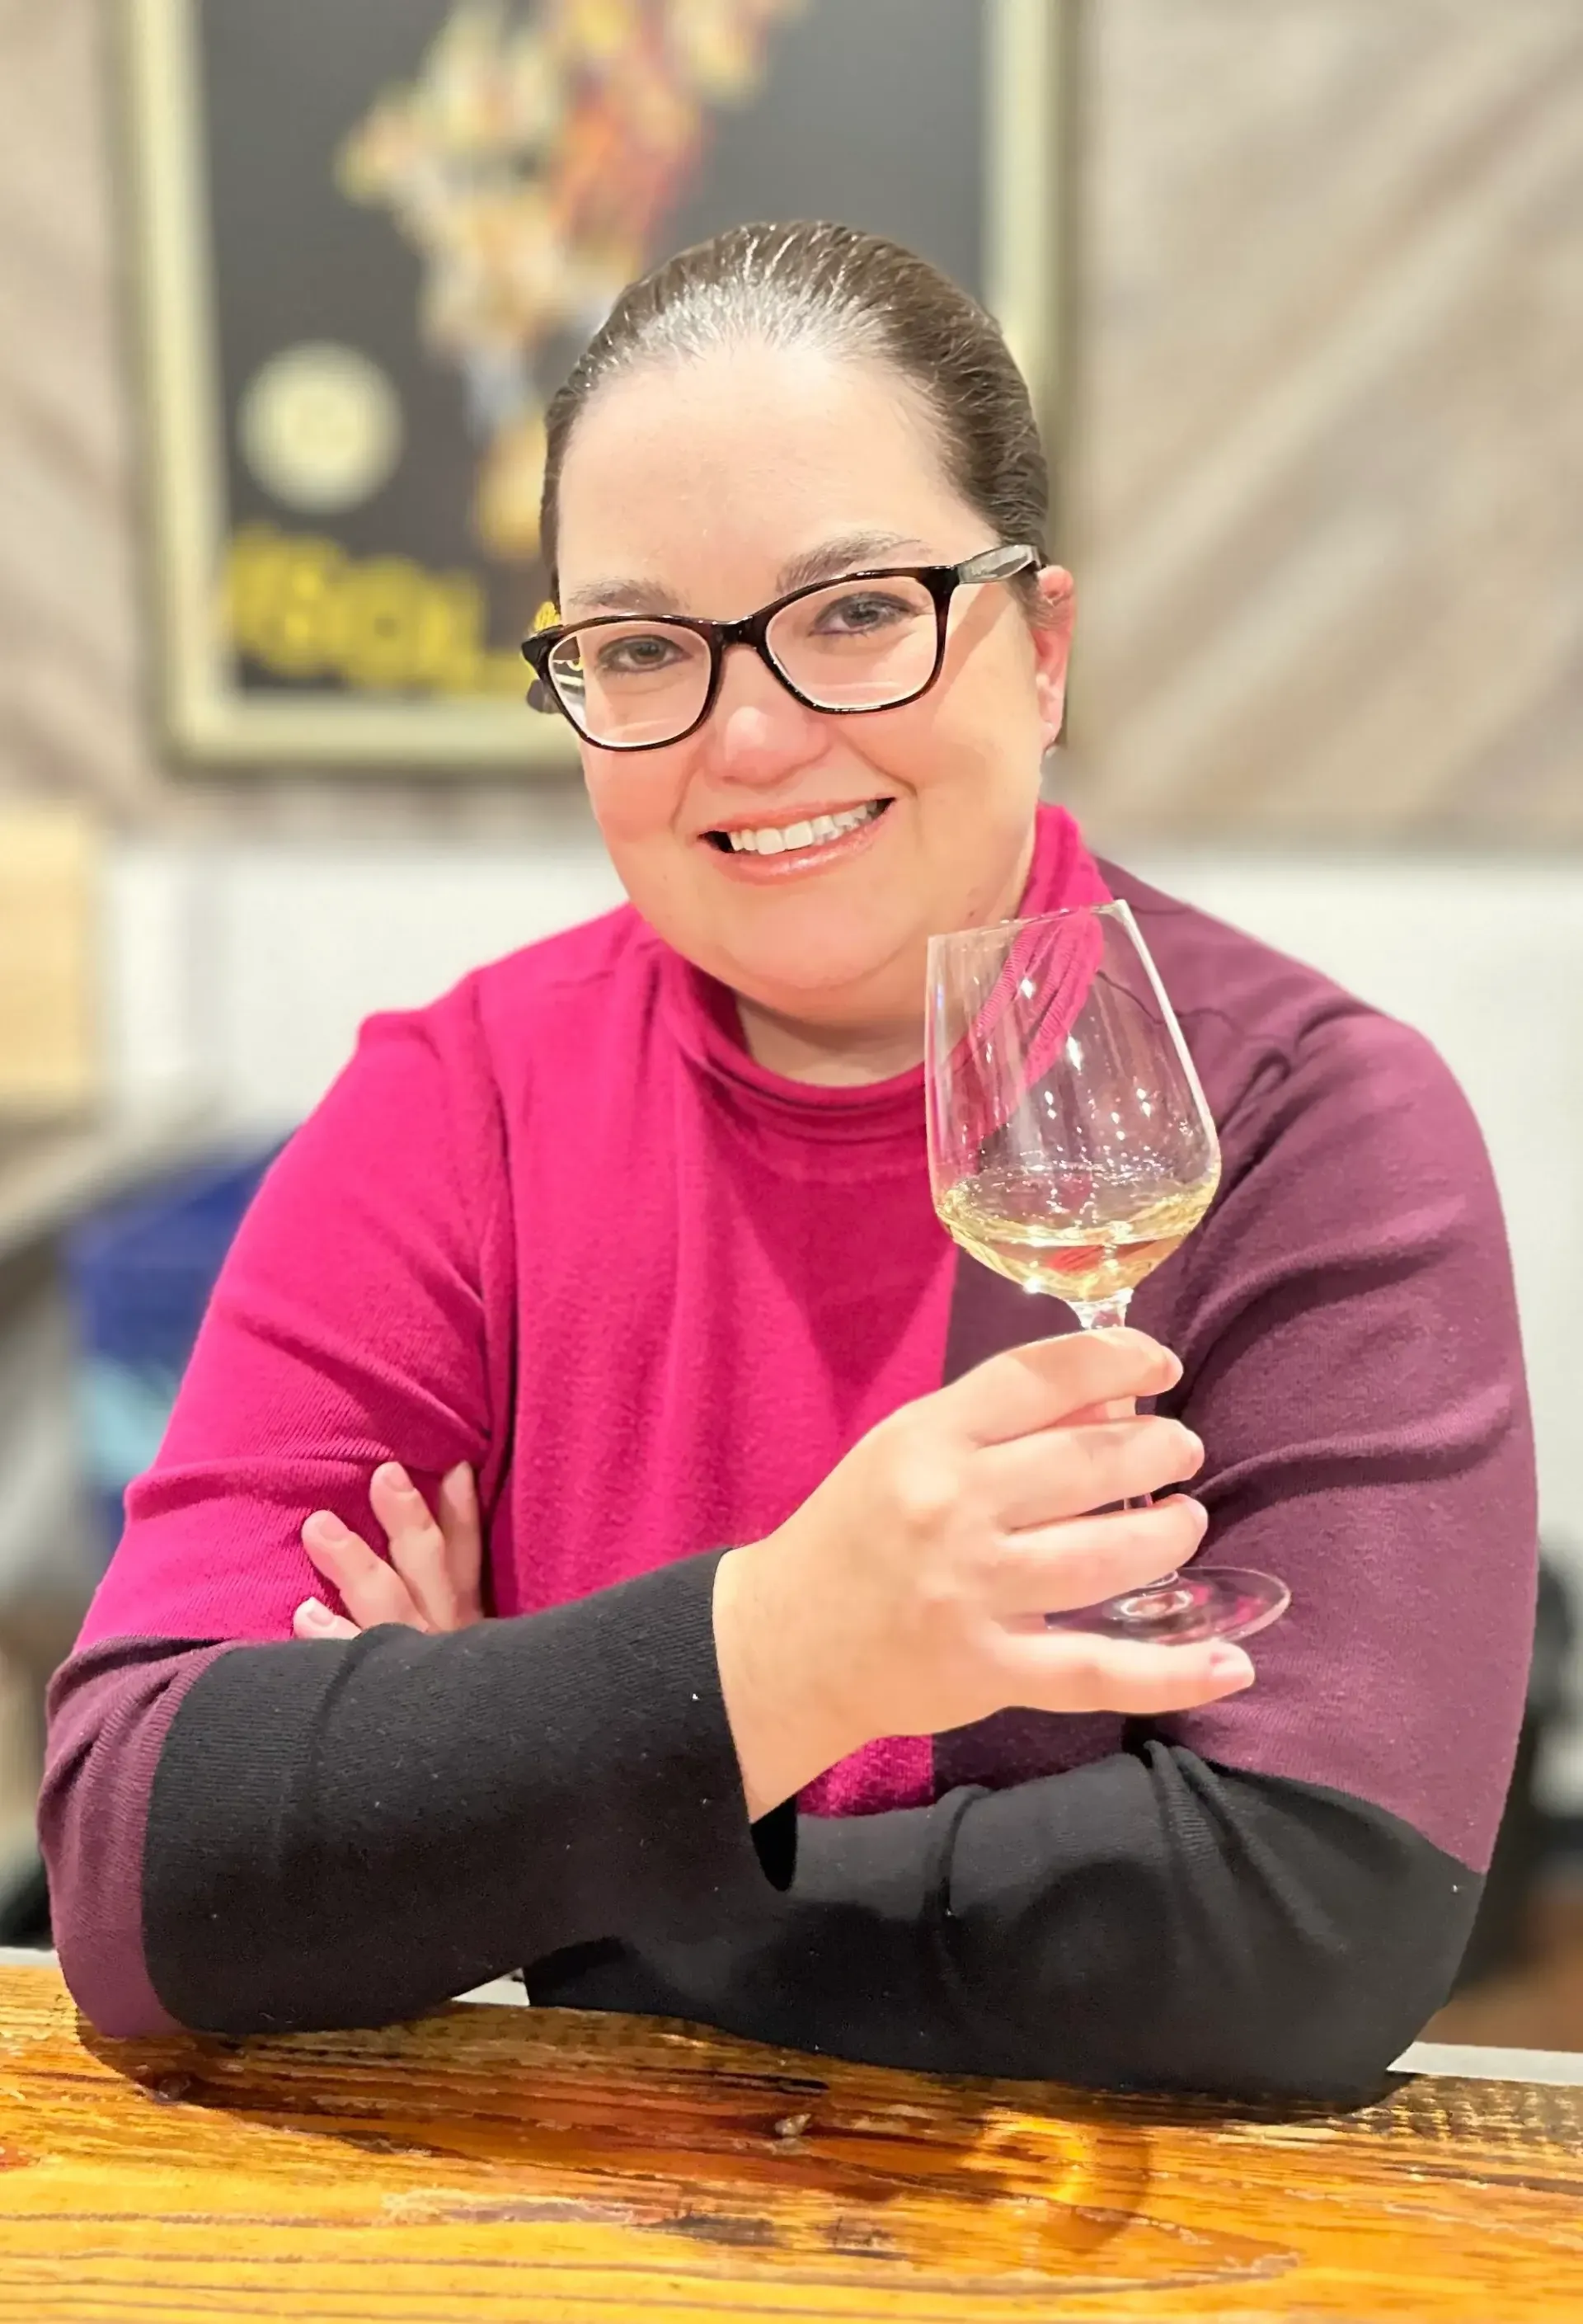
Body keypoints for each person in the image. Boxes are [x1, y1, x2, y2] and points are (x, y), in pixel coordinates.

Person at [42, 222, 1535, 2097]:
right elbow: (139, 1860)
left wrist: (515, 1852)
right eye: (646, 646)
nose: (750, 736)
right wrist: (785, 1649)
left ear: (1043, 645)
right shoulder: (454, 1107)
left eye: (854, 613)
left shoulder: (1310, 1122)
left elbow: (1303, 1926)